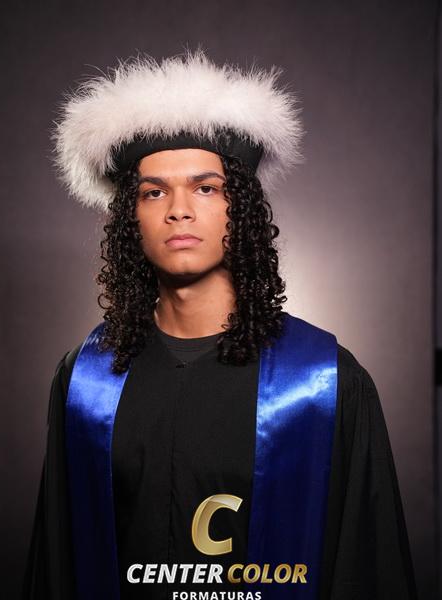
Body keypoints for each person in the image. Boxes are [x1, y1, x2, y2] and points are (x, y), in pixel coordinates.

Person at [22, 49, 418, 600]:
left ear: (242, 207)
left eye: (206, 188)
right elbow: (58, 565)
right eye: (153, 191)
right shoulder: (85, 381)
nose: (178, 210)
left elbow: (368, 570)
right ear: (130, 218)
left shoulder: (322, 382)